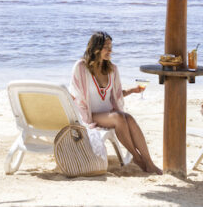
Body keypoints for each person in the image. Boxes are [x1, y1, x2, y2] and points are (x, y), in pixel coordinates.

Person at [70, 31, 163, 175]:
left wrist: (131, 91)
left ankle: (149, 162)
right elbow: (76, 96)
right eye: (107, 47)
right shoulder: (81, 67)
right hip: (89, 115)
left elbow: (116, 95)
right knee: (120, 117)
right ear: (96, 48)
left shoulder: (112, 69)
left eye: (111, 47)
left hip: (110, 114)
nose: (110, 50)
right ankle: (137, 158)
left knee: (129, 118)